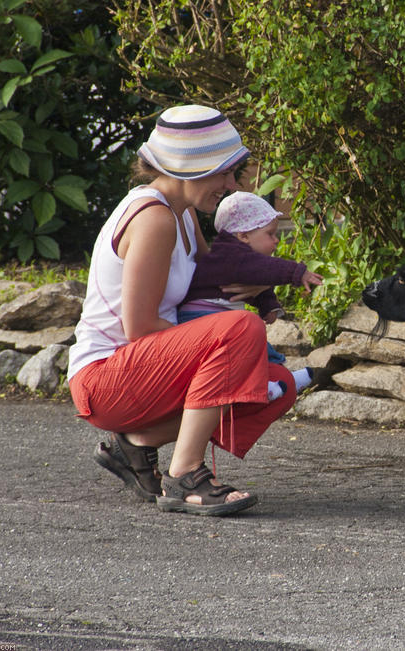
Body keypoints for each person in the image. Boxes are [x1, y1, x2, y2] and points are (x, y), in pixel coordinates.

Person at [67, 104, 296, 517]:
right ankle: (185, 475)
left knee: (276, 382)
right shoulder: (154, 218)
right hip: (104, 378)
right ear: (190, 168)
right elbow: (138, 327)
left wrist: (258, 286)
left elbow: (209, 284)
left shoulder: (184, 214)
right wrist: (231, 332)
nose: (229, 185)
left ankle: (136, 447)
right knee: (240, 332)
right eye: (223, 173)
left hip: (143, 369)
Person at [177, 190, 322, 398]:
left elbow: (260, 279)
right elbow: (265, 269)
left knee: (257, 344)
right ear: (243, 235)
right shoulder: (230, 254)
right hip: (199, 319)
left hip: (213, 318)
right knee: (241, 351)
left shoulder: (242, 259)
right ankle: (260, 387)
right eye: (270, 234)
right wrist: (297, 273)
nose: (276, 241)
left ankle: (277, 377)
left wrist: (268, 306)